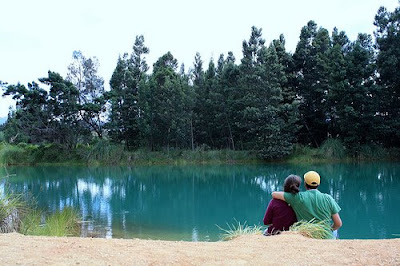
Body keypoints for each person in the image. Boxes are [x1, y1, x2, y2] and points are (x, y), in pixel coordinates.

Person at [272, 170, 342, 239]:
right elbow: (338, 224)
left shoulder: (298, 198)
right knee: (335, 231)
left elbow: (274, 194)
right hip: (325, 237)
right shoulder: (328, 198)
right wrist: (329, 230)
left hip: (306, 235)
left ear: (305, 183)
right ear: (318, 184)